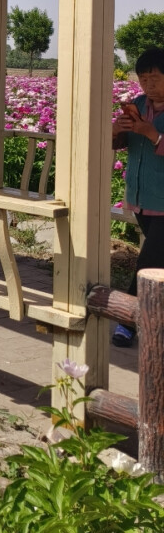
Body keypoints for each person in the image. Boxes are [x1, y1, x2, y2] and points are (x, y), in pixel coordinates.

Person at [110, 46, 164, 346]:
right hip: (143, 197)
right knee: (159, 263)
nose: (148, 84)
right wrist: (117, 130)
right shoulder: (137, 104)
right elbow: (118, 144)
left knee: (148, 262)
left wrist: (152, 133)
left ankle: (126, 322)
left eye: (154, 77)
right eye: (143, 78)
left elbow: (151, 138)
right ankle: (153, 319)